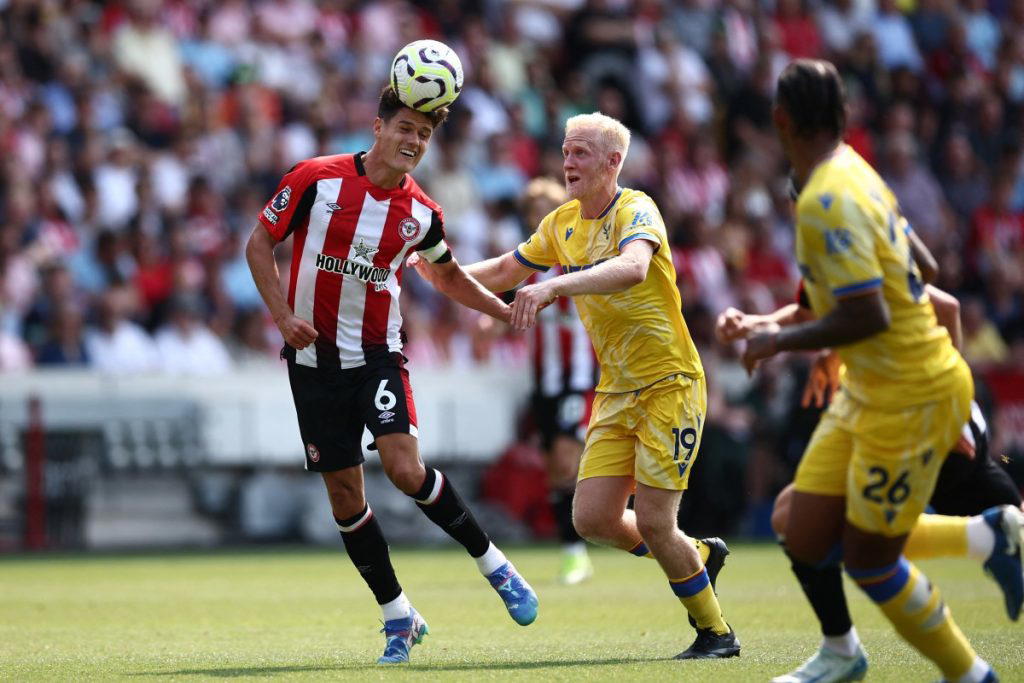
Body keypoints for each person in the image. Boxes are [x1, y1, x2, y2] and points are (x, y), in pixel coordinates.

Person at [413, 112, 738, 659]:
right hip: (617, 390)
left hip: (670, 384)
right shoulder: (561, 223)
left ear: (614, 162)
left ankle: (717, 634)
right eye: (566, 151)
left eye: (582, 152)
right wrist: (439, 269)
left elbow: (634, 268)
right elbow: (502, 272)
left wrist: (554, 286)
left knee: (658, 523)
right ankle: (698, 559)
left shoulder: (637, 209)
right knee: (591, 519)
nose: (568, 162)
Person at [244, 85, 538, 666]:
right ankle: (398, 616)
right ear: (378, 128)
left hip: (377, 354)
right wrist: (282, 316)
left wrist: (502, 311)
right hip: (312, 365)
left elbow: (448, 278)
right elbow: (259, 245)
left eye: (425, 135)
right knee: (345, 496)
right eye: (406, 128)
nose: (415, 142)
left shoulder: (421, 214)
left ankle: (496, 567)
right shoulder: (314, 178)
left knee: (405, 469)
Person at [743, 59, 1003, 683]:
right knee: (799, 527)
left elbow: (869, 315)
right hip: (870, 388)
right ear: (844, 115)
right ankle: (843, 651)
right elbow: (928, 268)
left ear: (781, 119)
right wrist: (769, 324)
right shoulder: (859, 170)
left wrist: (778, 340)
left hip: (911, 390)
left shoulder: (822, 200)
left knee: (868, 558)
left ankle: (972, 675)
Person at [718, 283, 1024, 682]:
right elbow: (814, 310)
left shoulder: (845, 224)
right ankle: (847, 647)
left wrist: (946, 398)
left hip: (929, 424)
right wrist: (758, 324)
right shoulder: (820, 236)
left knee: (861, 550)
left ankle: (984, 548)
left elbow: (940, 305)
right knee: (796, 517)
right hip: (880, 412)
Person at [520, 177, 599, 585]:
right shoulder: (526, 265)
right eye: (533, 212)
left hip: (578, 379)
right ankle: (574, 551)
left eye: (544, 209)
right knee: (554, 470)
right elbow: (506, 309)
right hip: (543, 383)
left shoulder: (582, 257)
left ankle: (588, 539)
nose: (538, 218)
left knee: (568, 459)